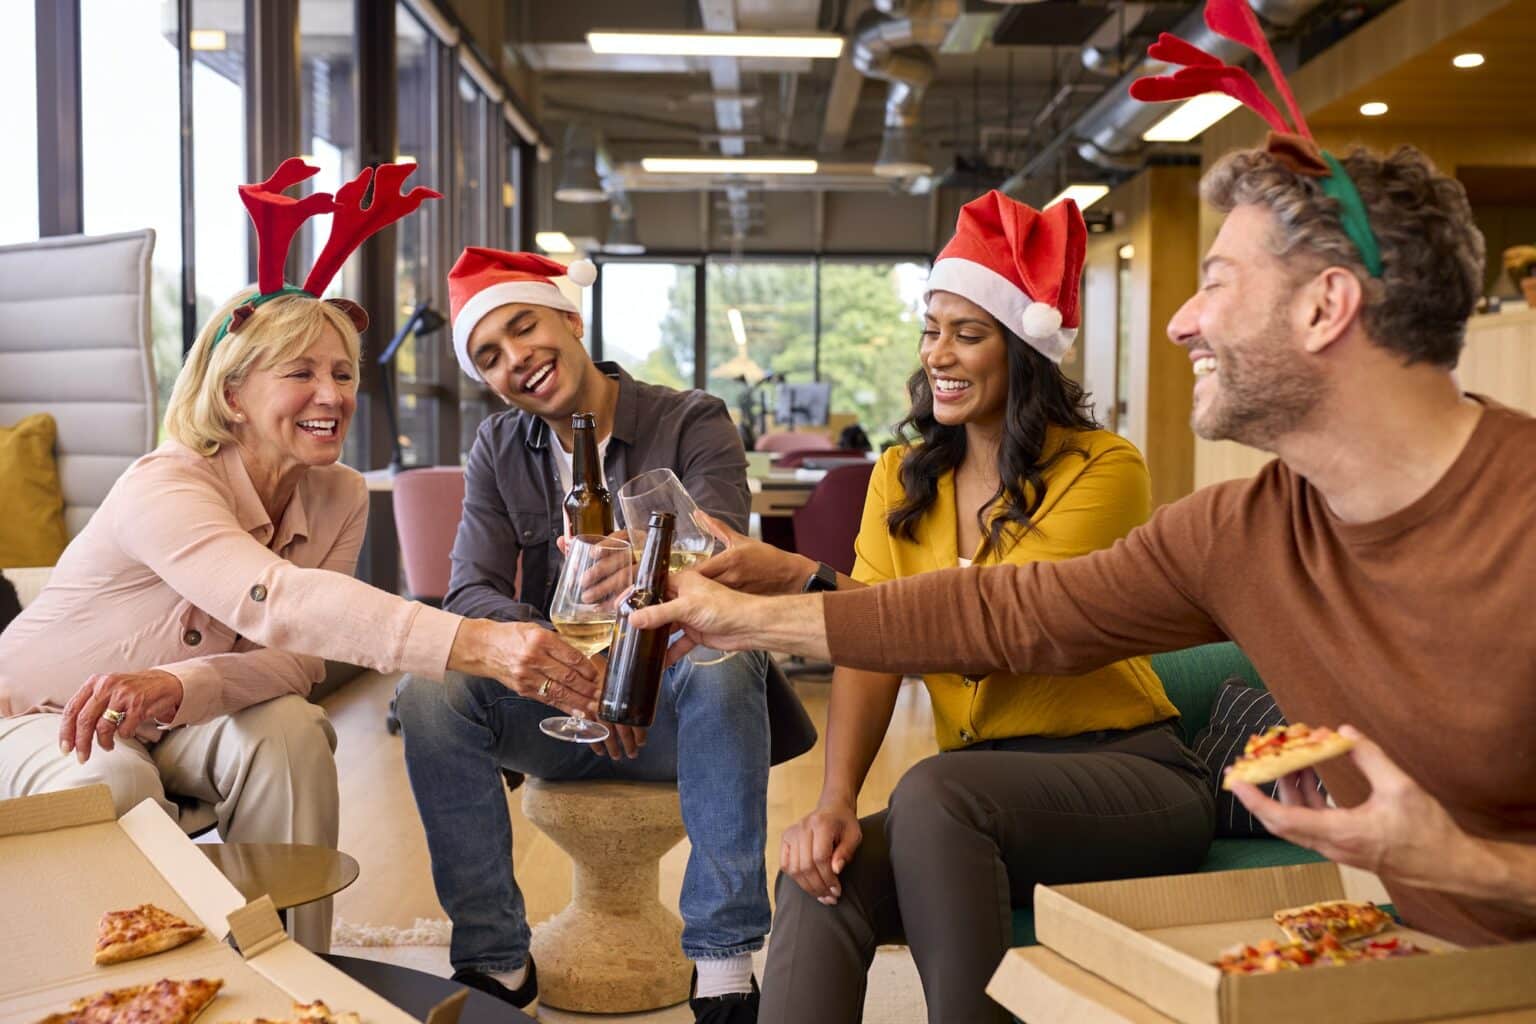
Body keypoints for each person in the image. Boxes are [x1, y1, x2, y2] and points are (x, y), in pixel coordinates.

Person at [637, 140, 1536, 952]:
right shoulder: (1238, 531)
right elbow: (1009, 613)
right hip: (1430, 972)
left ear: (1326, 307)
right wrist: (751, 616)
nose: (1182, 321)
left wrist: (1459, 863)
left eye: (1216, 280)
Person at [0, 161, 601, 952]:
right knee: (116, 776)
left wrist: (171, 686)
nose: (334, 394)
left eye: (343, 373)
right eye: (302, 373)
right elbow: (277, 602)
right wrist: (483, 644)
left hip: (162, 717)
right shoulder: (165, 483)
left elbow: (295, 662)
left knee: (289, 729)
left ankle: (289, 968)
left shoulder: (338, 493)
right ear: (232, 395)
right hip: (45, 719)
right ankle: (128, 986)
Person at [688, 191, 1211, 1024]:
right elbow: (871, 647)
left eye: (970, 334)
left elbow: (1003, 629)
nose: (941, 354)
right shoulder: (900, 476)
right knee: (823, 876)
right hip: (974, 802)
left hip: (1128, 778)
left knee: (936, 790)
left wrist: (802, 581)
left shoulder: (1105, 468)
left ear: (1026, 352)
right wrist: (830, 804)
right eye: (933, 330)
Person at [393, 247, 812, 1022]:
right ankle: (496, 960)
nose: (517, 360)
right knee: (426, 692)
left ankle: (722, 966)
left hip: (680, 715)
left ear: (572, 317)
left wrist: (636, 639)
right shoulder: (497, 446)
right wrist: (559, 663)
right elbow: (470, 590)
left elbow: (722, 562)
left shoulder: (692, 419)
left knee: (725, 657)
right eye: (490, 356)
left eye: (525, 329)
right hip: (563, 712)